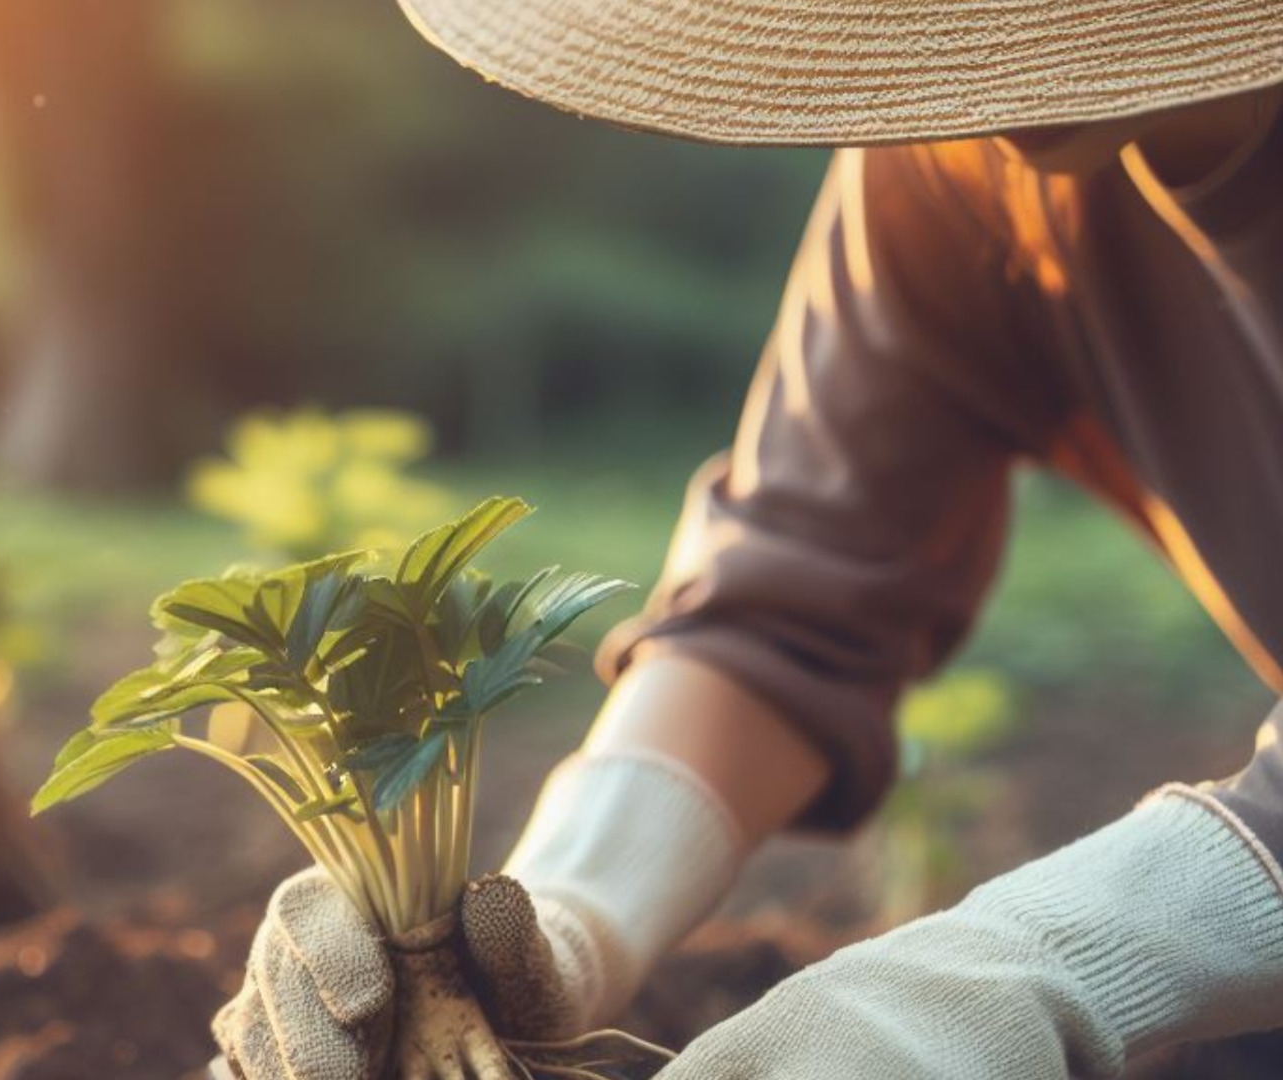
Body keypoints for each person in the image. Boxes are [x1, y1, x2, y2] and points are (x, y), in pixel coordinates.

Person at [212, 2, 1283, 1078]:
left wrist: (1050, 960)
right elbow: (790, 601)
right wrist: (574, 912)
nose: (980, 61)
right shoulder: (966, 158)